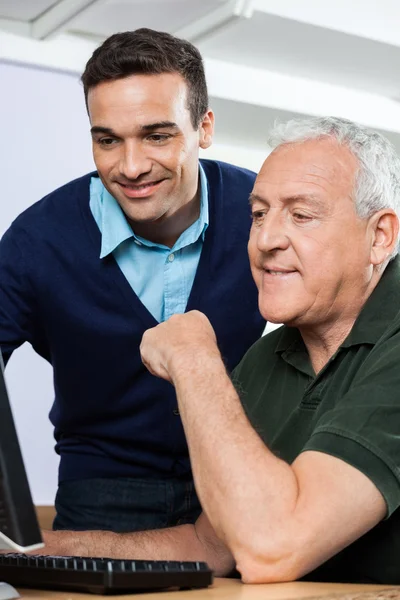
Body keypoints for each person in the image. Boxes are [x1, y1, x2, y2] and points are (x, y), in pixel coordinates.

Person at [41, 116, 400, 585]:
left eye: (301, 215)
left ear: (379, 237)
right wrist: (40, 550)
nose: (265, 240)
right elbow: (211, 546)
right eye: (258, 214)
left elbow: (271, 547)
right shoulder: (265, 358)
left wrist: (194, 357)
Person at [0, 29, 265, 532]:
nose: (132, 166)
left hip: (241, 481)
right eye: (107, 141)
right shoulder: (38, 239)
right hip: (100, 493)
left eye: (157, 135)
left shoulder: (261, 212)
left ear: (203, 128)